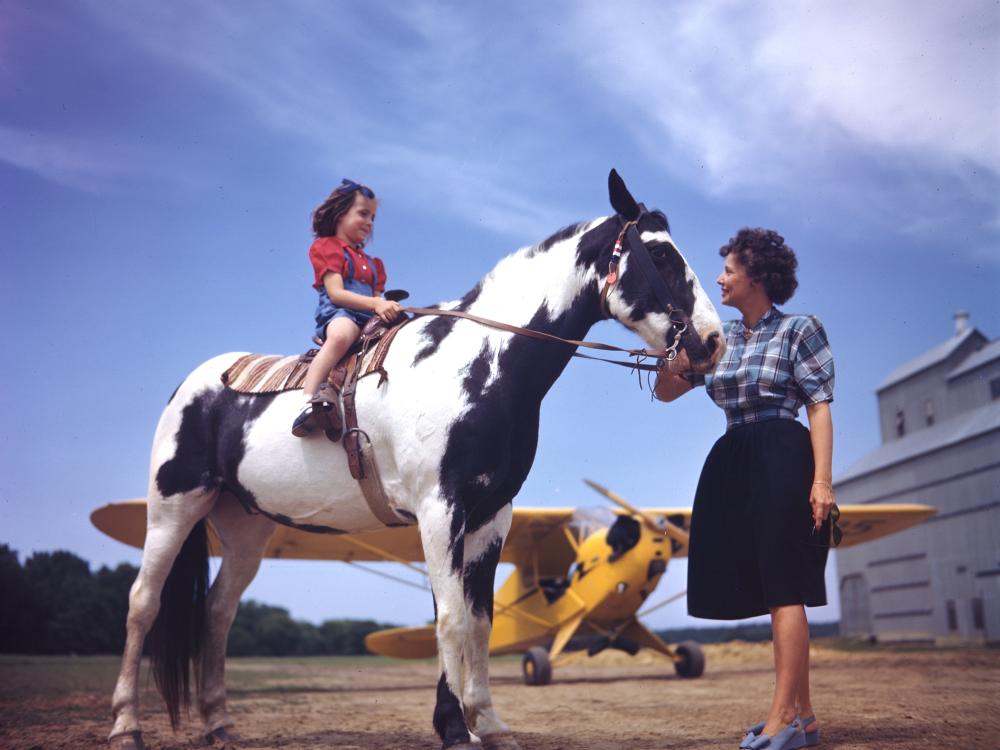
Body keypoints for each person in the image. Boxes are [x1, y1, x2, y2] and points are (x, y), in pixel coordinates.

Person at [655, 228, 836, 750]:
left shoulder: (800, 329)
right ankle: (804, 716)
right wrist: (673, 354)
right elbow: (668, 392)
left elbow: (819, 405)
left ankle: (783, 720)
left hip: (782, 452)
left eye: (729, 270)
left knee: (786, 587)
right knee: (765, 585)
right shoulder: (720, 338)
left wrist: (821, 481)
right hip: (733, 457)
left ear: (755, 276)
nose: (719, 279)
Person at [292, 179, 402, 437]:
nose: (369, 222)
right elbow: (336, 293)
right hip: (340, 312)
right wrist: (376, 303)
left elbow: (378, 298)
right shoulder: (327, 248)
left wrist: (385, 308)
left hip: (368, 317)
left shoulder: (375, 264)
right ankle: (308, 400)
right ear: (341, 214)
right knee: (342, 335)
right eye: (363, 213)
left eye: (373, 217)